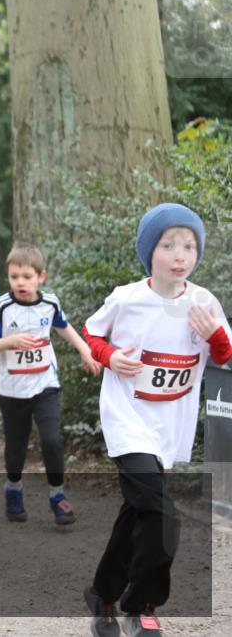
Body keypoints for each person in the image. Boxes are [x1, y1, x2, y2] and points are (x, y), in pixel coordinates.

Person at [80, 204, 230, 637]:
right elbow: (92, 334)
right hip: (128, 419)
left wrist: (216, 337)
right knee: (164, 515)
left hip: (170, 426)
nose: (180, 255)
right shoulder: (127, 298)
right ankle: (142, 603)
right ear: (150, 252)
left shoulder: (204, 302)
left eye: (189, 246)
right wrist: (110, 357)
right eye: (168, 245)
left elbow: (223, 356)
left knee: (139, 511)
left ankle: (102, 596)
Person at [0, 242, 99, 526]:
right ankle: (13, 490)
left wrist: (85, 350)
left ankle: (58, 497)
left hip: (45, 383)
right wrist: (11, 341)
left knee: (52, 440)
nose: (20, 283)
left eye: (26, 276)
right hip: (12, 390)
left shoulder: (50, 302)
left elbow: (63, 327)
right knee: (16, 447)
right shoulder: (1, 306)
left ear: (40, 277)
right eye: (14, 277)